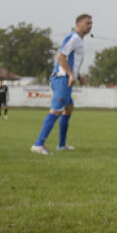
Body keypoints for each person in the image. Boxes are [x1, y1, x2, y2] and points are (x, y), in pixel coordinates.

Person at [32, 13, 91, 154]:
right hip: (62, 79)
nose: (90, 26)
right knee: (56, 110)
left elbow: (70, 60)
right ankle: (38, 145)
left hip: (66, 78)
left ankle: (61, 144)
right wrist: (71, 74)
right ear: (78, 25)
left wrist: (77, 75)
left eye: (91, 23)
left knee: (68, 108)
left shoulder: (79, 40)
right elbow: (60, 56)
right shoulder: (74, 38)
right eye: (87, 23)